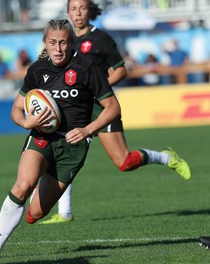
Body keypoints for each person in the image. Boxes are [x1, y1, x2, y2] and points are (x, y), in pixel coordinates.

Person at [0, 18, 121, 260]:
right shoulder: (37, 70)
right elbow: (16, 109)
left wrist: (87, 130)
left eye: (63, 43)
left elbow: (113, 108)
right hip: (42, 137)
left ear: (71, 43)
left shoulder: (87, 69)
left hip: (73, 146)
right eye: (52, 42)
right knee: (22, 186)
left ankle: (37, 196)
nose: (58, 48)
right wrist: (26, 123)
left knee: (35, 213)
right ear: (45, 43)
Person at [39, 0, 192, 225]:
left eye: (82, 7)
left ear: (90, 10)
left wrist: (96, 89)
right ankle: (65, 212)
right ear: (68, 12)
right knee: (63, 155)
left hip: (101, 109)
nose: (78, 12)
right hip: (73, 109)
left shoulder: (100, 39)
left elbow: (121, 70)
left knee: (124, 162)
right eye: (73, 8)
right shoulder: (62, 42)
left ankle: (167, 157)